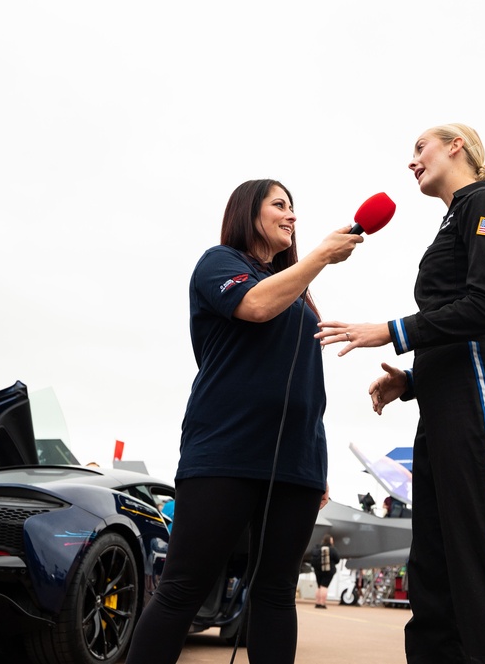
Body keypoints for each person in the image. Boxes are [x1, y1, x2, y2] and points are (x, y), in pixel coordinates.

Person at [314, 123, 485, 664]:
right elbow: (450, 323)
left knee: (480, 569)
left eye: (420, 148)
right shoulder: (454, 218)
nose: (412, 162)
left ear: (455, 146)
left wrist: (390, 331)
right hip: (441, 411)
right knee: (433, 576)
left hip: (477, 407)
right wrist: (410, 381)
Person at [124, 179, 363, 664]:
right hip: (225, 451)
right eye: (280, 205)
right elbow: (253, 305)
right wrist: (318, 257)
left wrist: (316, 462)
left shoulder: (298, 294)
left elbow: (308, 389)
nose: (292, 216)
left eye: (294, 208)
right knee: (183, 588)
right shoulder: (220, 263)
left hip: (296, 462)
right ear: (248, 212)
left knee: (275, 593)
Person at [311, 534, 341, 609]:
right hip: (328, 571)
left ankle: (317, 603)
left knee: (319, 586)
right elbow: (337, 560)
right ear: (330, 541)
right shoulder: (332, 549)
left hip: (317, 570)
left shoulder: (317, 548)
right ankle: (322, 603)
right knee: (324, 586)